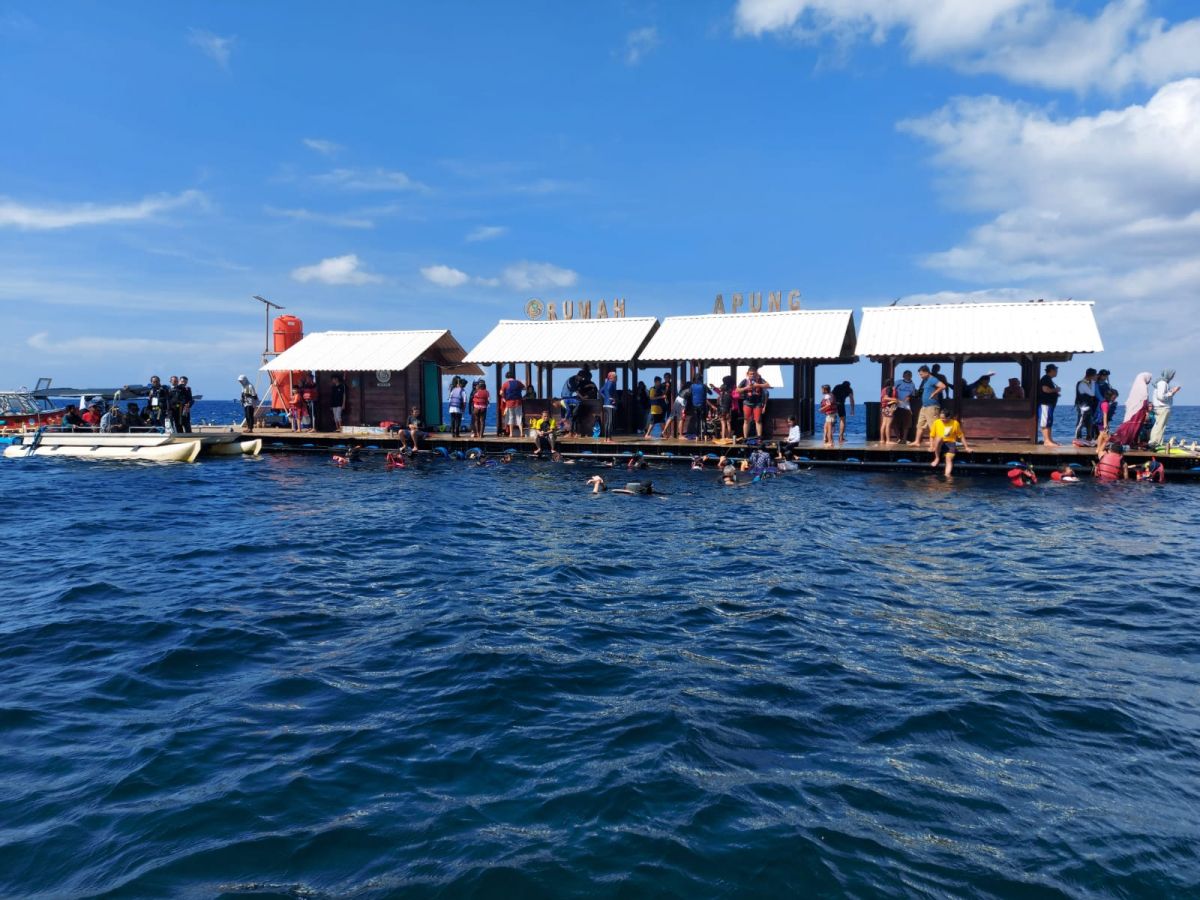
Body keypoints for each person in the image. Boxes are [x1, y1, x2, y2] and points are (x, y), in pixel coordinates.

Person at [929, 407, 971, 476]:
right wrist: (931, 446)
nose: (942, 420)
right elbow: (932, 435)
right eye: (941, 418)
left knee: (948, 459)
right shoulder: (937, 422)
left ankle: (947, 476)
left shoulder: (955, 423)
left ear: (949, 417)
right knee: (939, 438)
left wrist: (966, 447)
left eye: (943, 418)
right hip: (938, 443)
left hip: (950, 443)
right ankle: (937, 457)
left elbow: (961, 436)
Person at [913, 365, 945, 448]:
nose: (920, 376)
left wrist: (934, 393)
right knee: (920, 425)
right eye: (920, 374)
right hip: (924, 406)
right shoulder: (925, 380)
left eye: (921, 374)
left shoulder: (933, 379)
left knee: (933, 426)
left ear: (927, 372)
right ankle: (917, 441)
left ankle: (936, 443)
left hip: (932, 406)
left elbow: (943, 386)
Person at [1149, 369, 1181, 447]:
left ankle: (1155, 442)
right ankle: (1154, 443)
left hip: (1160, 407)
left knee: (1159, 426)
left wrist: (1172, 392)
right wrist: (1172, 392)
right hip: (1162, 408)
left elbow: (1163, 396)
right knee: (1160, 426)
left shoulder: (1161, 383)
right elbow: (1161, 397)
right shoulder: (1163, 383)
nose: (1173, 376)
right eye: (1172, 375)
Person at [738, 366, 770, 441]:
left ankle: (759, 438)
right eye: (751, 374)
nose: (752, 375)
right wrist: (746, 388)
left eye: (753, 374)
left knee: (758, 420)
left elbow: (767, 385)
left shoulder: (760, 380)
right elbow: (737, 390)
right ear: (747, 374)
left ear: (756, 374)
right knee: (746, 420)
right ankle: (745, 438)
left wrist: (758, 385)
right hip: (747, 402)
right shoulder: (744, 381)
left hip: (757, 403)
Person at [1038, 364, 1061, 446]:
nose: (1057, 372)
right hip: (1045, 404)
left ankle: (1050, 440)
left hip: (1049, 404)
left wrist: (1055, 393)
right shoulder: (1045, 379)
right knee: (1045, 422)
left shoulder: (1049, 379)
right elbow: (1045, 389)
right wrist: (1055, 390)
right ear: (1051, 370)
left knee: (1049, 422)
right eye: (1056, 370)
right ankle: (1047, 441)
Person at [1074, 368, 1097, 441]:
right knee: (1080, 423)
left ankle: (1089, 438)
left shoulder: (1088, 382)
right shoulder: (1082, 383)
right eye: (1095, 375)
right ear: (1091, 376)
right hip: (1082, 407)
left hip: (1088, 406)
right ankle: (1077, 438)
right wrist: (1093, 382)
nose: (1096, 377)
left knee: (1089, 423)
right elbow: (1092, 393)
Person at [501, 368, 525, 439]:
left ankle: (511, 433)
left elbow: (501, 393)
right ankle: (521, 433)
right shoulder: (518, 382)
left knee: (511, 418)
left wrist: (504, 398)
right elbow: (524, 387)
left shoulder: (505, 384)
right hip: (518, 402)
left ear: (506, 377)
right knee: (519, 417)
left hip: (509, 402)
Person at [893, 370, 916, 443]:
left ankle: (904, 439)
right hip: (896, 406)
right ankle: (898, 438)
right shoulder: (898, 382)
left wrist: (910, 397)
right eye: (906, 374)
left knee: (907, 423)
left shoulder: (912, 384)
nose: (908, 376)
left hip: (906, 406)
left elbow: (913, 394)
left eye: (909, 374)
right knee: (895, 423)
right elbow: (892, 391)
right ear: (903, 375)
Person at [599, 370, 618, 441]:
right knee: (610, 422)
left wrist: (606, 397)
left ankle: (606, 438)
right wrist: (611, 398)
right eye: (615, 377)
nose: (616, 378)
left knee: (607, 422)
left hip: (605, 404)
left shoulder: (606, 383)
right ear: (612, 377)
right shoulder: (611, 383)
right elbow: (609, 390)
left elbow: (601, 391)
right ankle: (609, 438)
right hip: (610, 405)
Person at [879, 378, 898, 445]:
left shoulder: (883, 389)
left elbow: (883, 398)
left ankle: (882, 439)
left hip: (884, 407)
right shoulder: (890, 388)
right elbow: (886, 397)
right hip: (889, 407)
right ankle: (888, 440)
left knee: (884, 424)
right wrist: (895, 399)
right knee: (888, 425)